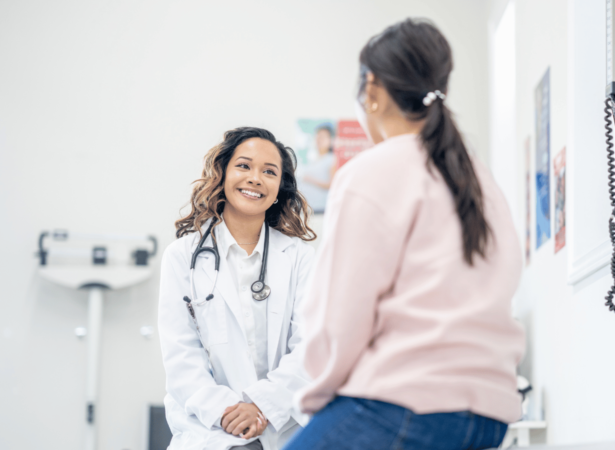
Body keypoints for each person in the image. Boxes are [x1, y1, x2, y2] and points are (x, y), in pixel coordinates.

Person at [284, 19, 526, 450]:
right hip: (489, 416)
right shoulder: (478, 178)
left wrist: (315, 406)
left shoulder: (371, 172)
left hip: (403, 405)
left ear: (371, 90)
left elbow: (339, 321)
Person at [158, 127, 316, 450]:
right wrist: (229, 413)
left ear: (278, 188)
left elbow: (310, 349)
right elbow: (182, 357)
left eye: (269, 171)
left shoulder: (300, 258)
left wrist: (262, 407)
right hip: (209, 431)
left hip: (281, 426)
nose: (255, 178)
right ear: (222, 174)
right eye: (244, 166)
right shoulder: (182, 258)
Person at [299, 124, 337, 213]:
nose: (319, 140)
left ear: (330, 140)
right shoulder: (313, 159)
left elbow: (332, 184)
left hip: (320, 208)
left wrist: (310, 180)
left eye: (323, 137)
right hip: (308, 207)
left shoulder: (331, 159)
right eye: (318, 137)